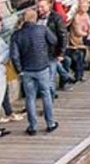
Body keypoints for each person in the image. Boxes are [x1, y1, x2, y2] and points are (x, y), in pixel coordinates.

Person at [9, 8, 59, 136]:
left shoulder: (16, 35)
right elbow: (53, 40)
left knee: (30, 98)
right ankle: (50, 123)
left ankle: (32, 126)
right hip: (42, 67)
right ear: (35, 18)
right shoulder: (42, 29)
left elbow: (14, 55)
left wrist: (18, 70)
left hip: (26, 70)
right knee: (46, 95)